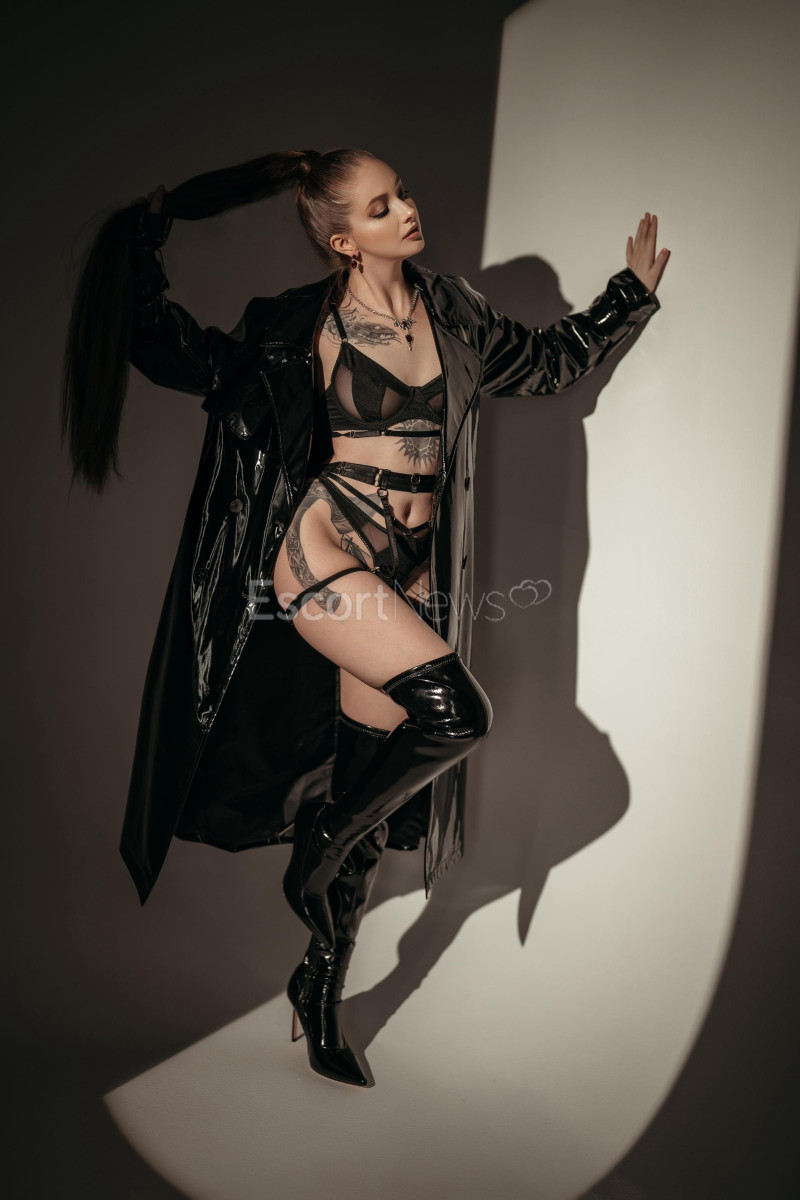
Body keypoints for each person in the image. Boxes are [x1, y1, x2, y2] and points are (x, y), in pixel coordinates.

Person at [61, 147, 668, 1088]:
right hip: (328, 552)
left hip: (413, 569)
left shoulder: (454, 310)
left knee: (369, 794)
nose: (407, 211)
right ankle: (318, 846)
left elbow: (549, 363)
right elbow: (168, 347)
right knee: (457, 715)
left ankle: (320, 983)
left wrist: (628, 295)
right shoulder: (293, 327)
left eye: (403, 194)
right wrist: (145, 240)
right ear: (343, 239)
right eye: (380, 207)